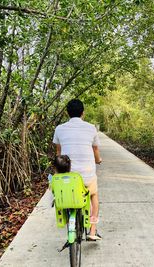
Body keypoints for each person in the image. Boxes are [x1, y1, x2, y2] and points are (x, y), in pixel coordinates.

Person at [53, 99, 102, 240]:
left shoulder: (59, 128)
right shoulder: (91, 128)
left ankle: (68, 217)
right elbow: (96, 149)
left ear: (67, 113)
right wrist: (98, 160)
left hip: (66, 175)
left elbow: (58, 153)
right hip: (87, 175)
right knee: (93, 196)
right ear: (83, 113)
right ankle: (92, 231)